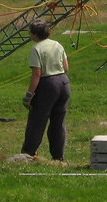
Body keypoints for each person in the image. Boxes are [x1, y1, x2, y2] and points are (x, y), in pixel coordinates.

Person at [21, 18, 70, 161]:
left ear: (35, 34)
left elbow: (37, 74)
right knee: (58, 122)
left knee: (37, 120)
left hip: (48, 85)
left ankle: (28, 153)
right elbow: (66, 67)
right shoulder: (57, 44)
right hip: (64, 83)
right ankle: (58, 157)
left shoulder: (36, 49)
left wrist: (29, 96)